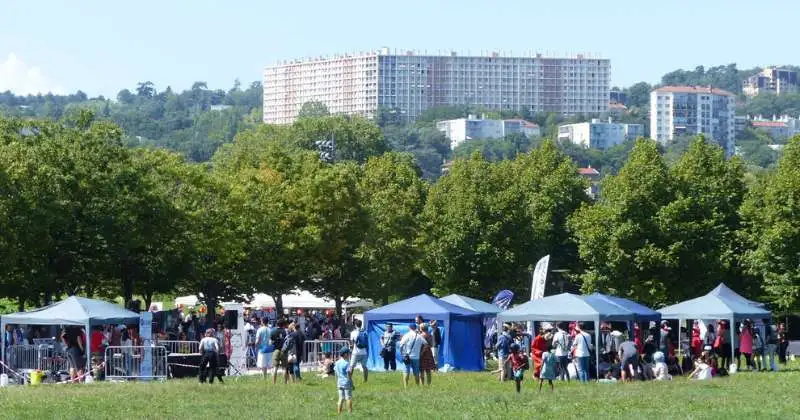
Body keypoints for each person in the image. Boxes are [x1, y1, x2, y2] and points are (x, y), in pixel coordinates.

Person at [399, 323, 425, 388]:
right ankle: (417, 386)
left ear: (409, 328)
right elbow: (426, 344)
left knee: (406, 371)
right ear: (415, 328)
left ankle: (406, 386)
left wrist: (402, 353)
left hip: (407, 356)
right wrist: (421, 352)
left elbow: (401, 345)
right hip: (416, 356)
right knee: (416, 372)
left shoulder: (406, 335)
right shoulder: (419, 336)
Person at [335, 347, 354, 415]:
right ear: (345, 354)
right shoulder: (346, 363)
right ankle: (350, 413)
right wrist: (351, 382)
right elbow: (349, 373)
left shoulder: (337, 362)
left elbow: (336, 373)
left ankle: (339, 413)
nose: (349, 355)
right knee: (348, 397)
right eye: (348, 353)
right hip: (346, 382)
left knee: (341, 398)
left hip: (339, 382)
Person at [270, 321, 289, 385]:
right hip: (284, 350)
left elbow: (270, 343)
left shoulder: (273, 331)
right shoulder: (285, 331)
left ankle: (274, 383)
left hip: (276, 350)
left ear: (276, 324)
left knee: (275, 367)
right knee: (284, 368)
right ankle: (285, 383)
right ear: (283, 325)